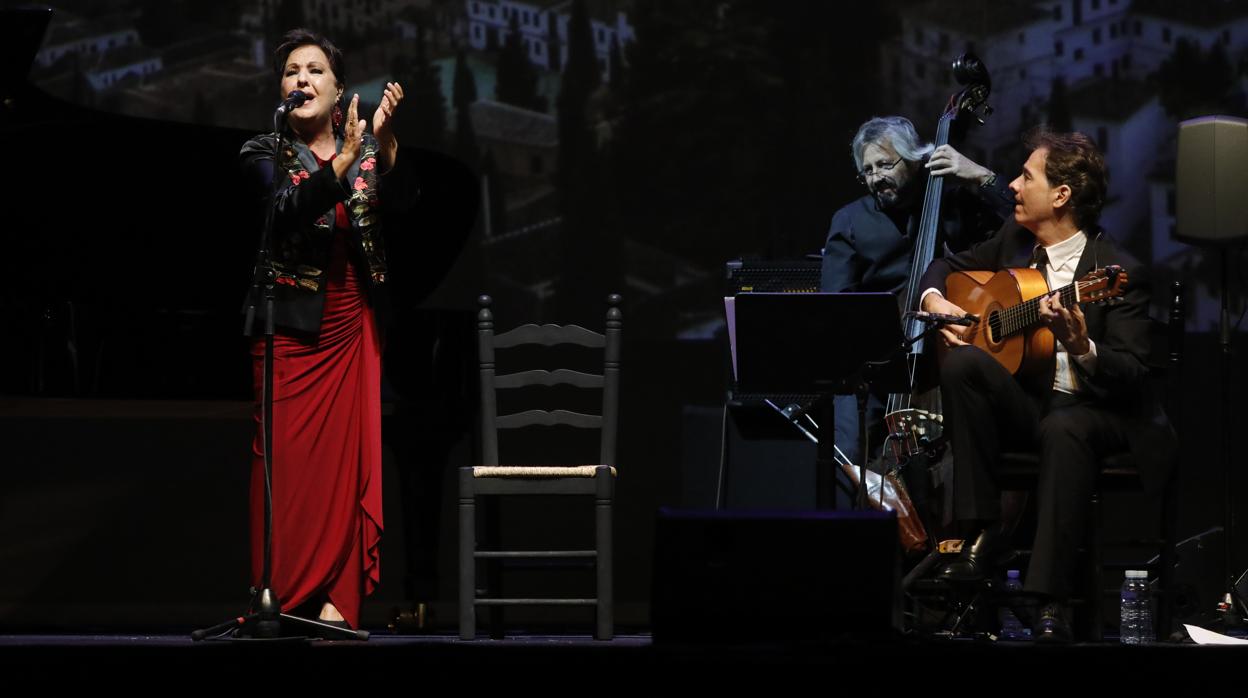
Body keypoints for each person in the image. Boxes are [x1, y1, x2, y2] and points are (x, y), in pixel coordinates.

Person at [919, 129, 1169, 642]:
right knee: (963, 363)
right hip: (1031, 407)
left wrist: (1081, 346)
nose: (1011, 185)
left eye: (1026, 176)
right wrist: (933, 300)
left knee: (1065, 429)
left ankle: (1051, 600)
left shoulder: (1117, 271)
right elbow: (944, 264)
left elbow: (1134, 376)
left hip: (1097, 410)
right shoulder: (1012, 243)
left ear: (1061, 195)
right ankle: (982, 532)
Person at [239, 28, 405, 630]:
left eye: (314, 70)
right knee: (280, 470)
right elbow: (286, 208)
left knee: (344, 469)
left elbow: (410, 210)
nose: (300, 79)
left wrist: (383, 148)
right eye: (290, 72)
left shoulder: (363, 155)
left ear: (338, 93)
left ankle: (337, 599)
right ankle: (277, 596)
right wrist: (341, 161)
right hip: (288, 330)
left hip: (349, 327)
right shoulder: (262, 151)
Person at [822, 116, 1012, 469]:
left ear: (913, 158)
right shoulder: (849, 221)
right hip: (875, 362)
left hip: (946, 353)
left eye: (884, 164)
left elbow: (1020, 227)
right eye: (867, 170)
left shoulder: (955, 202)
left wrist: (981, 176)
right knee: (850, 451)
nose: (876, 178)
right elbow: (837, 307)